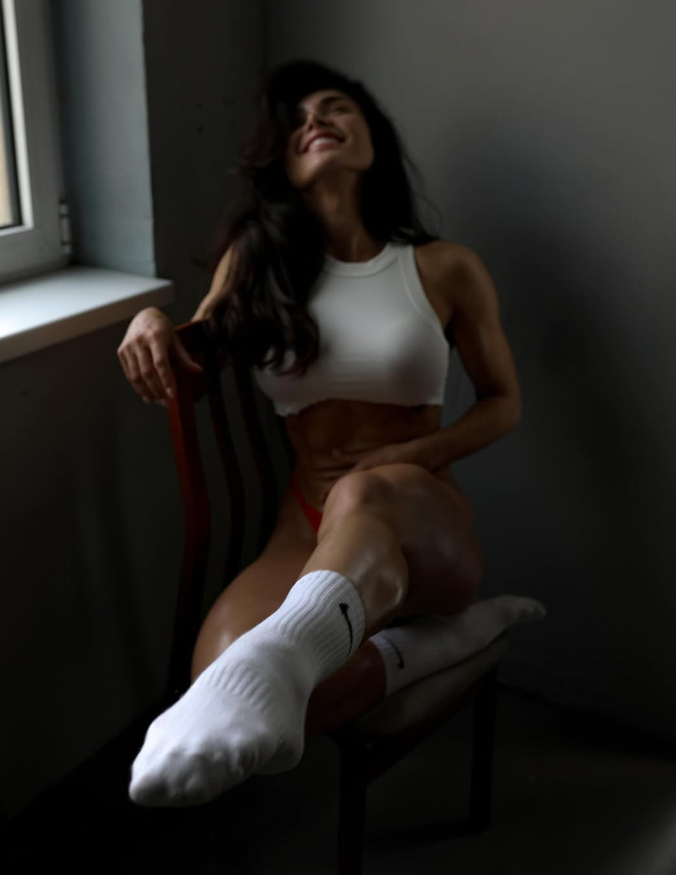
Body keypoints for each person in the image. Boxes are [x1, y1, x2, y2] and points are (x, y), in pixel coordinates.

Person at [118, 60, 544, 808]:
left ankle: (342, 628)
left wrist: (411, 454)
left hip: (420, 520)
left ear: (371, 138)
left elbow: (503, 402)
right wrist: (153, 320)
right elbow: (195, 350)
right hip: (305, 526)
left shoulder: (445, 267)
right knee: (227, 679)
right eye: (295, 121)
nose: (314, 120)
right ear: (282, 163)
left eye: (334, 106)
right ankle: (452, 638)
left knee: (361, 497)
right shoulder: (258, 263)